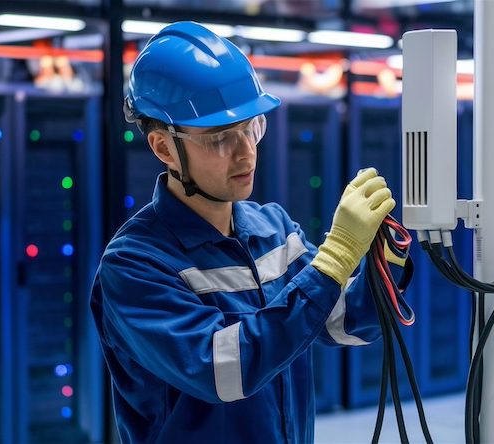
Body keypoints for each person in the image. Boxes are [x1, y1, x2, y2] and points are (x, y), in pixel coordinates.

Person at [91, 21, 398, 443]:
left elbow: (340, 321)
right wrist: (337, 255)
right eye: (220, 138)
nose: (245, 151)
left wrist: (389, 260)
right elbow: (225, 371)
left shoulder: (274, 229)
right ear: (164, 148)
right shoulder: (135, 265)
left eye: (252, 127)